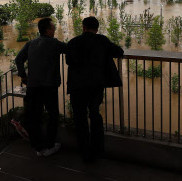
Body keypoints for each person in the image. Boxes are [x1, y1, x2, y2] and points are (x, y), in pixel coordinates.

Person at [66, 16, 124, 162]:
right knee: (95, 114)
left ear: (83, 27)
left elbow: (68, 61)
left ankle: (84, 151)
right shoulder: (102, 41)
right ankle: (98, 149)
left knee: (79, 118)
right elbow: (119, 52)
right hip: (95, 86)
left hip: (77, 87)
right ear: (97, 29)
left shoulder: (73, 42)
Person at [15, 17, 66, 157]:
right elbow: (70, 49)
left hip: (32, 86)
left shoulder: (30, 43)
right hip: (49, 86)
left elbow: (18, 59)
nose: (55, 29)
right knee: (52, 115)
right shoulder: (54, 43)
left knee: (35, 117)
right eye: (53, 27)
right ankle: (50, 146)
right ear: (48, 30)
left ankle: (38, 147)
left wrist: (24, 76)